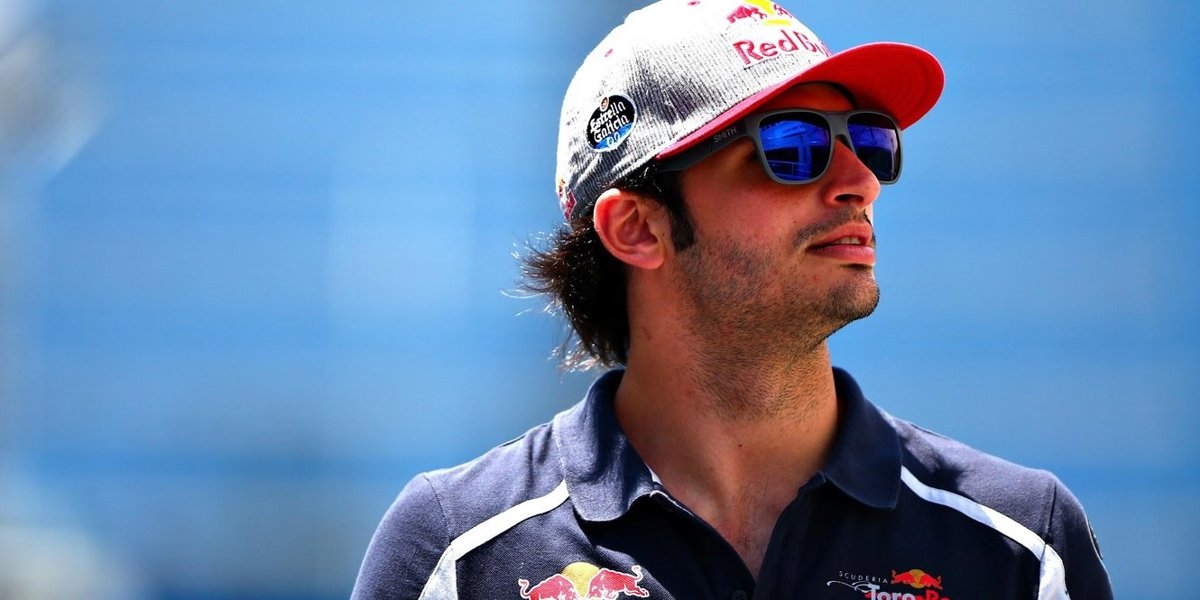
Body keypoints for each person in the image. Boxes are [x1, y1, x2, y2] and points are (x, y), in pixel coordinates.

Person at [352, 1, 1114, 598]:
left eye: (869, 139)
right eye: (791, 147)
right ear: (637, 228)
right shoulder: (457, 550)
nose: (859, 181)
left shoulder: (1020, 542)